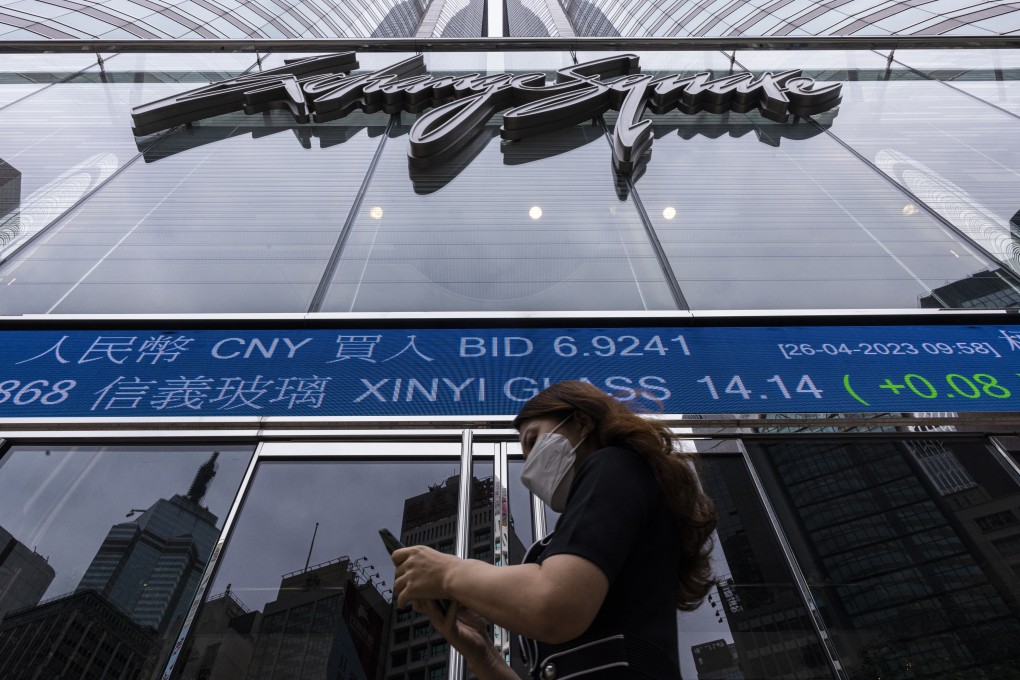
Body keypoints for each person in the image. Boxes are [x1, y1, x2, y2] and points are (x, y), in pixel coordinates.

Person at [392, 380, 716, 679]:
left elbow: (555, 605)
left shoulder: (613, 464)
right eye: (525, 453)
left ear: (582, 422)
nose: (530, 463)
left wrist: (448, 572)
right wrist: (483, 653)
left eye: (533, 440)